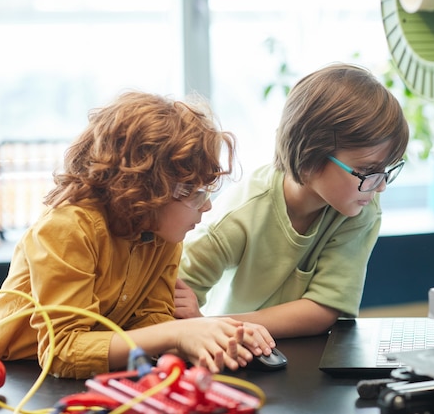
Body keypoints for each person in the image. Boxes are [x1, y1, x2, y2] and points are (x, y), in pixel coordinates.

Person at [0, 91, 275, 379]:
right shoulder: (68, 228)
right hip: (19, 373)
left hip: (92, 372)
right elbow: (62, 351)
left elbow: (150, 319)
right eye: (194, 193)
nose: (206, 206)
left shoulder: (162, 231)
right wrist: (177, 333)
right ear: (146, 190)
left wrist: (213, 335)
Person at [175, 63, 410, 338]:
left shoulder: (361, 207)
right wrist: (208, 327)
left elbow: (323, 310)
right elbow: (178, 299)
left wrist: (216, 324)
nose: (380, 186)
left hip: (306, 356)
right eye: (368, 171)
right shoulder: (240, 215)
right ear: (311, 157)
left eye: (386, 171)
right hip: (232, 356)